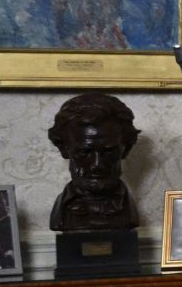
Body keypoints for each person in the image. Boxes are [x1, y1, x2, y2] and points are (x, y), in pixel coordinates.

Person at [47, 92, 141, 231]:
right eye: (84, 152)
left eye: (109, 152)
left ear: (126, 149)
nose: (97, 164)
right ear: (64, 149)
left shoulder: (129, 211)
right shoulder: (61, 214)